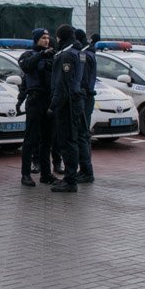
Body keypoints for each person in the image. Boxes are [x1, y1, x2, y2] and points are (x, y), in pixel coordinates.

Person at [18, 28, 55, 187]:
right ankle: (25, 174)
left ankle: (46, 174)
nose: (46, 41)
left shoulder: (52, 55)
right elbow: (26, 67)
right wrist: (41, 54)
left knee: (47, 140)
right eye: (43, 38)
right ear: (36, 39)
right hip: (35, 100)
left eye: (48, 38)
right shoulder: (28, 55)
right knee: (31, 139)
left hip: (49, 100)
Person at [49, 24, 83, 192]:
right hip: (74, 101)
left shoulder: (66, 55)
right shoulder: (77, 52)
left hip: (67, 104)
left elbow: (62, 85)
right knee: (71, 140)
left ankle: (70, 180)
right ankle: (70, 177)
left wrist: (53, 106)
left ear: (60, 36)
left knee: (67, 141)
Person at [73, 28, 96, 183]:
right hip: (87, 98)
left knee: (82, 135)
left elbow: (84, 81)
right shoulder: (90, 54)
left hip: (84, 98)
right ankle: (85, 169)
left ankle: (86, 170)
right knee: (84, 134)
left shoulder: (85, 56)